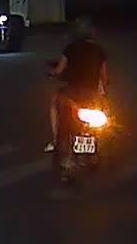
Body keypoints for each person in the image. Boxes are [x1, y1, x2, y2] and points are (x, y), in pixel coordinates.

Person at [46, 16, 109, 152]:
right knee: (105, 111)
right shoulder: (99, 50)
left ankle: (56, 140)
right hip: (91, 94)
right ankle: (102, 142)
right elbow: (104, 78)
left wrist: (52, 73)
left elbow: (59, 70)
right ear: (92, 31)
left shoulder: (70, 48)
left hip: (71, 93)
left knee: (53, 104)